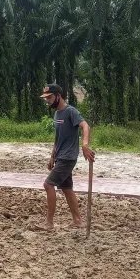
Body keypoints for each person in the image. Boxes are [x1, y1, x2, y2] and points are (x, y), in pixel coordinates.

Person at [35, 84, 95, 231]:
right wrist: (52, 156)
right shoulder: (56, 114)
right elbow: (58, 137)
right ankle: (77, 220)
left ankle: (49, 223)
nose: (47, 101)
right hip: (60, 156)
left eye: (49, 97)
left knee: (48, 184)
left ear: (58, 96)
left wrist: (85, 145)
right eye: (46, 98)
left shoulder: (70, 112)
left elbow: (85, 126)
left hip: (68, 157)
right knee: (67, 188)